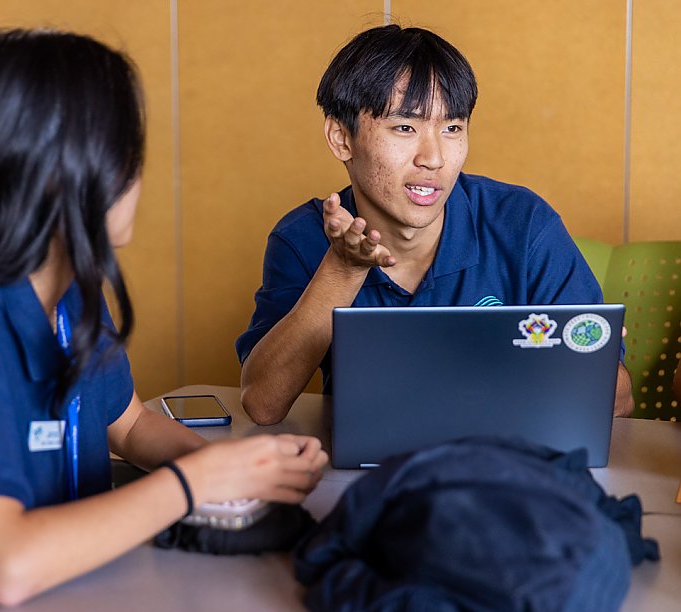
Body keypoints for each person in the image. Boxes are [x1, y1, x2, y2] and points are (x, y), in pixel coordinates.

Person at [0, 29, 327, 612]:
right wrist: (194, 483)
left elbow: (128, 423)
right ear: (62, 174)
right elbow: (7, 566)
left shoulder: (69, 294)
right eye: (128, 157)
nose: (138, 179)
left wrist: (240, 473)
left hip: (62, 597)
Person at [236, 24, 634, 425]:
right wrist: (342, 271)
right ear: (341, 138)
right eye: (405, 127)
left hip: (508, 465)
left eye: (452, 129)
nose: (434, 158)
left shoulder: (524, 223)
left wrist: (569, 358)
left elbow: (619, 400)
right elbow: (264, 405)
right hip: (367, 476)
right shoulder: (301, 237)